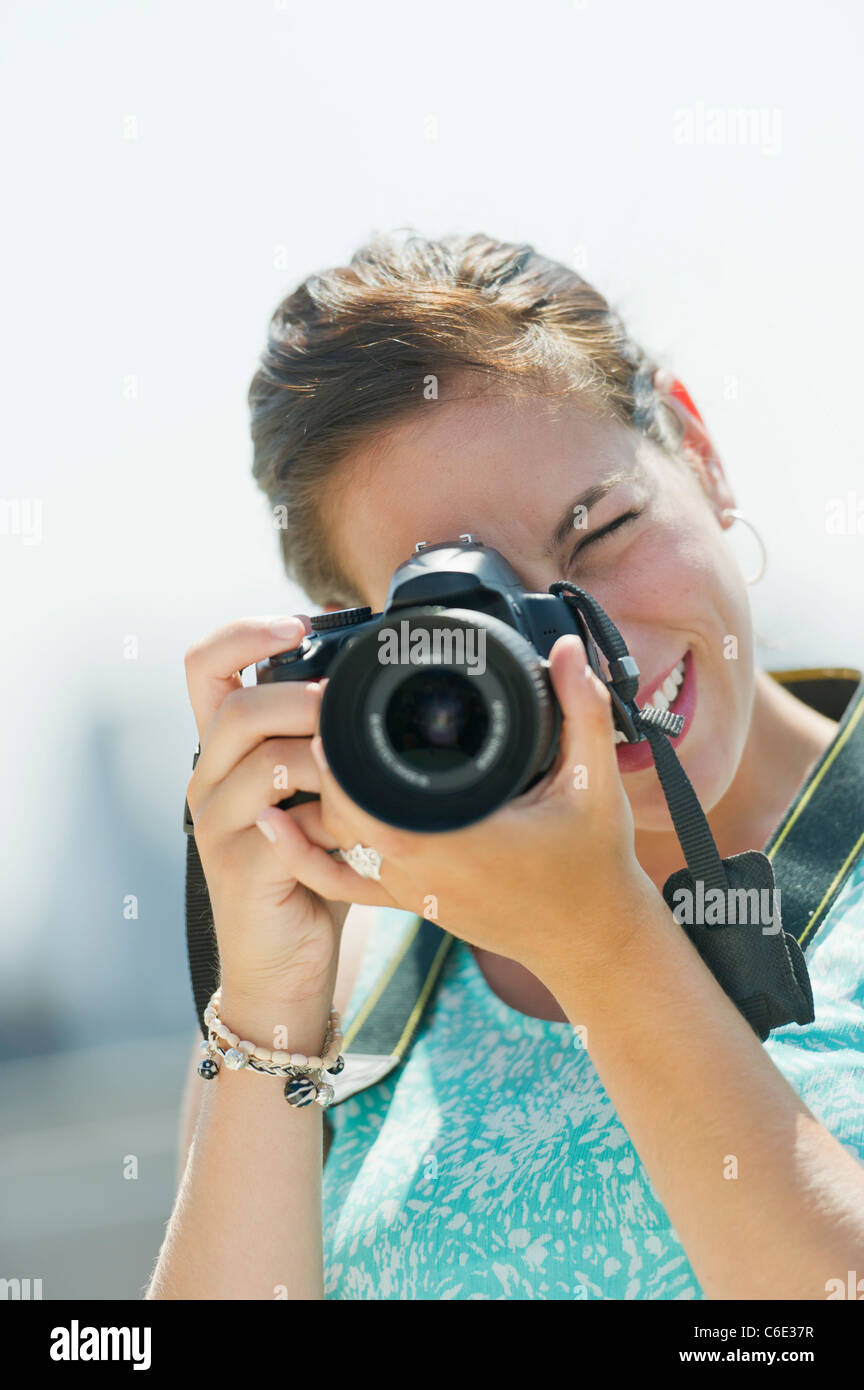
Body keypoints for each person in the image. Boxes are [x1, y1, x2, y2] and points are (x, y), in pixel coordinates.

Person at [146, 232, 864, 1301]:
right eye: (476, 614)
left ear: (700, 455)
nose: (587, 654)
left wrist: (605, 946)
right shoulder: (358, 964)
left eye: (603, 529)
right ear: (361, 651)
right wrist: (268, 1006)